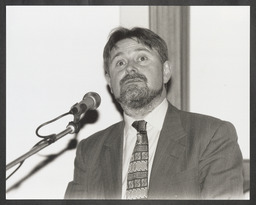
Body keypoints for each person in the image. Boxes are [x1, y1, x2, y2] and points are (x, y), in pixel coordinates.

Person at [64, 27, 243, 199]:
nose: (130, 68)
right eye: (120, 62)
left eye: (142, 58)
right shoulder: (90, 151)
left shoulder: (211, 135)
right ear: (110, 82)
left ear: (165, 72)